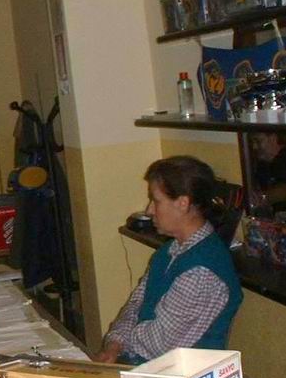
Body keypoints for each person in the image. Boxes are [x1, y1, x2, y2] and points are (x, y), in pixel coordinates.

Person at [95, 155, 243, 365]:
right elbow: (136, 304)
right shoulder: (170, 251)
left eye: (156, 201)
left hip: (184, 377)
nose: (149, 210)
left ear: (183, 203)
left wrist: (122, 342)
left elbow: (160, 345)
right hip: (149, 365)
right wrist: (114, 344)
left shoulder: (202, 270)